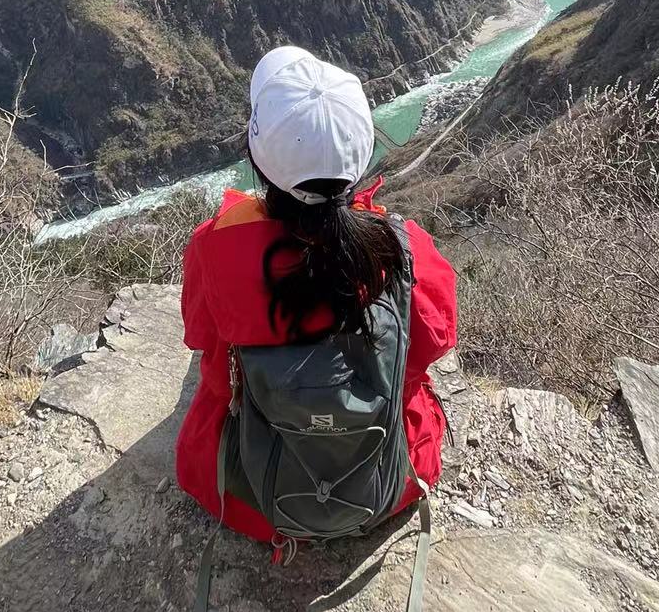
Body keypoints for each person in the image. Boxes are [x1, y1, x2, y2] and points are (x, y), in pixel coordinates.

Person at [176, 44, 458, 549]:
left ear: (259, 162)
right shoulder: (403, 250)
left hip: (254, 496)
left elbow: (201, 339)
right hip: (385, 481)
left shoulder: (213, 249)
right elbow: (434, 342)